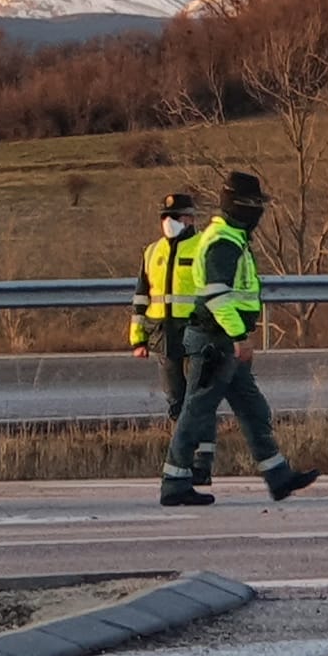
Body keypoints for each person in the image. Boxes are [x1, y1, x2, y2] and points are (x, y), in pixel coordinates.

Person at [160, 170, 320, 508]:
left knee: (252, 408)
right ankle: (175, 482)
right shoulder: (223, 241)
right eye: (254, 205)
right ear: (241, 206)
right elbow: (217, 295)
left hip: (221, 341)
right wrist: (239, 336)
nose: (259, 212)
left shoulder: (231, 237)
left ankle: (278, 476)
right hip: (215, 341)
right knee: (196, 411)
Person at [130, 191, 203, 472]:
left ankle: (197, 458)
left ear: (189, 219)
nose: (169, 221)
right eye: (165, 216)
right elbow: (141, 297)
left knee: (198, 398)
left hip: (196, 332)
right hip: (164, 334)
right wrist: (139, 339)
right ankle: (182, 458)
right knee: (176, 398)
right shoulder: (152, 252)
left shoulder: (201, 247)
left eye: (175, 216)